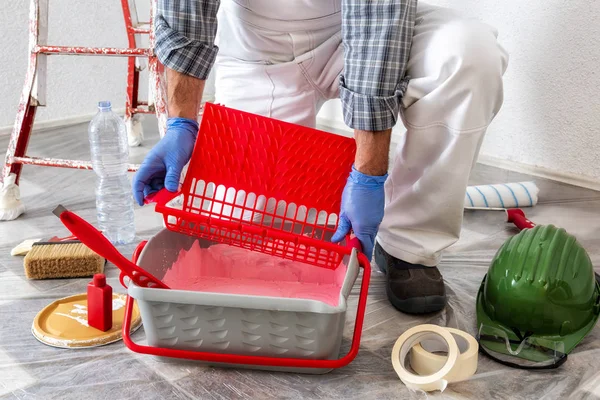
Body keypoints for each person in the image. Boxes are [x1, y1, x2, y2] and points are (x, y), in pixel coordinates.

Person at [133, 0, 508, 314]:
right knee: (241, 238)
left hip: (366, 31)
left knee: (470, 55)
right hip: (260, 51)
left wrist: (368, 173)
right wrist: (182, 122)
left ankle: (408, 247)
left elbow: (376, 20)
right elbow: (184, 10)